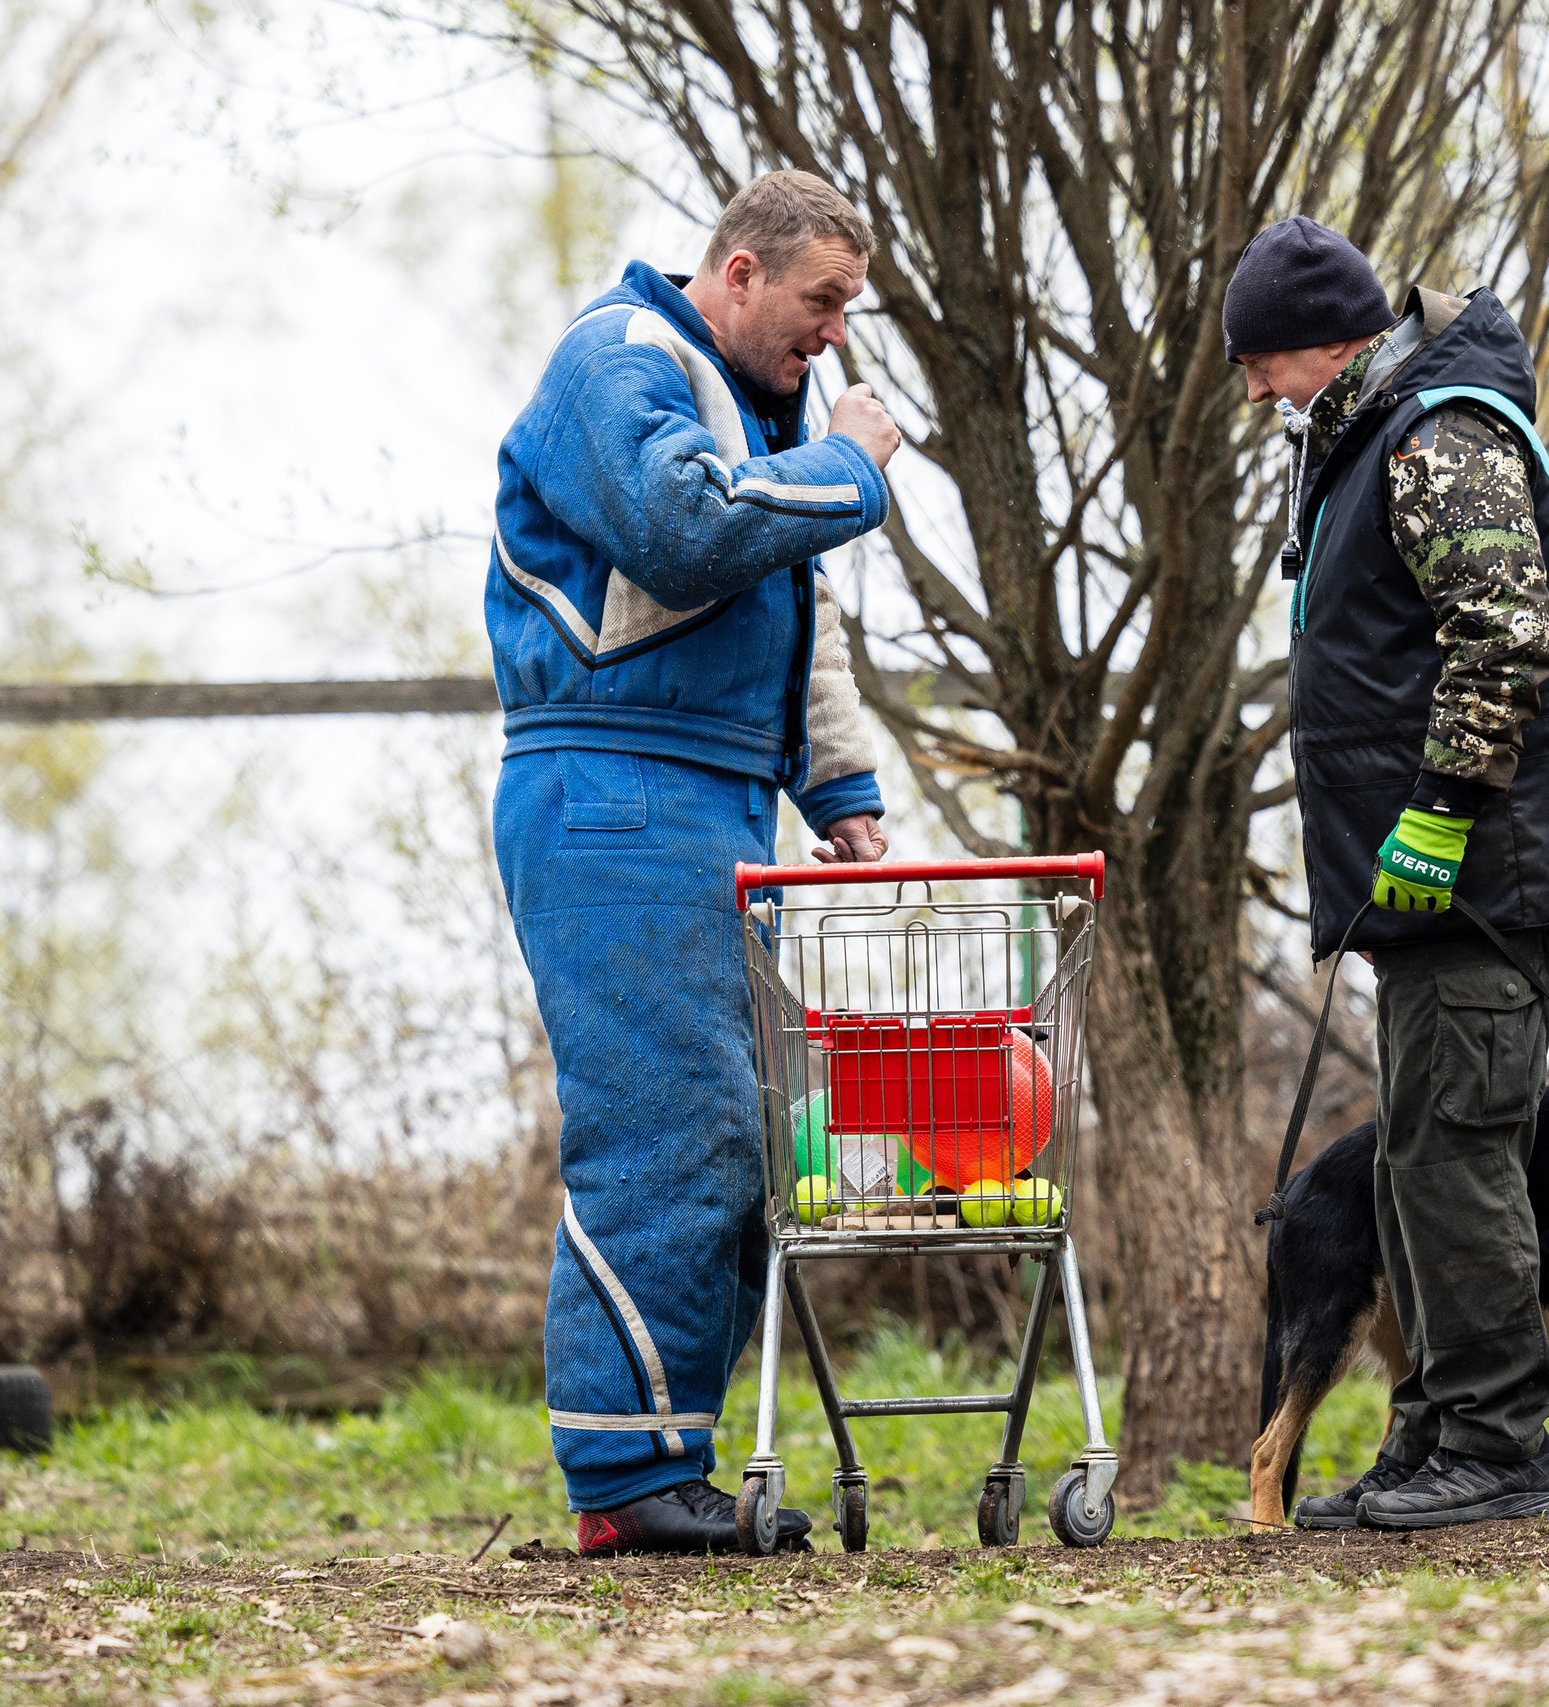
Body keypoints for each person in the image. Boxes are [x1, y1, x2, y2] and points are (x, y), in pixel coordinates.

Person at [484, 170, 902, 1555]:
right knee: (670, 1131)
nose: (834, 332)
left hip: (712, 796)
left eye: (849, 306)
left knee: (741, 1141)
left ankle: (669, 1459)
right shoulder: (623, 364)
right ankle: (626, 1483)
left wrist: (837, 785)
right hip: (614, 790)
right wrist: (848, 468)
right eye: (819, 301)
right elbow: (689, 531)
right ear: (737, 273)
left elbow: (792, 612)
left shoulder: (747, 411)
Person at [1227, 216, 1549, 1530]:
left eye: (1264, 360)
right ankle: (1436, 1436)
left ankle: (1504, 1451)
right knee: (1413, 1158)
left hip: (1483, 869)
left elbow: (1506, 635)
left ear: (1330, 340)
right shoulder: (1368, 438)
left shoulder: (1433, 434)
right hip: (1413, 883)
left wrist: (1445, 809)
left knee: (1458, 1154)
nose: (1252, 389)